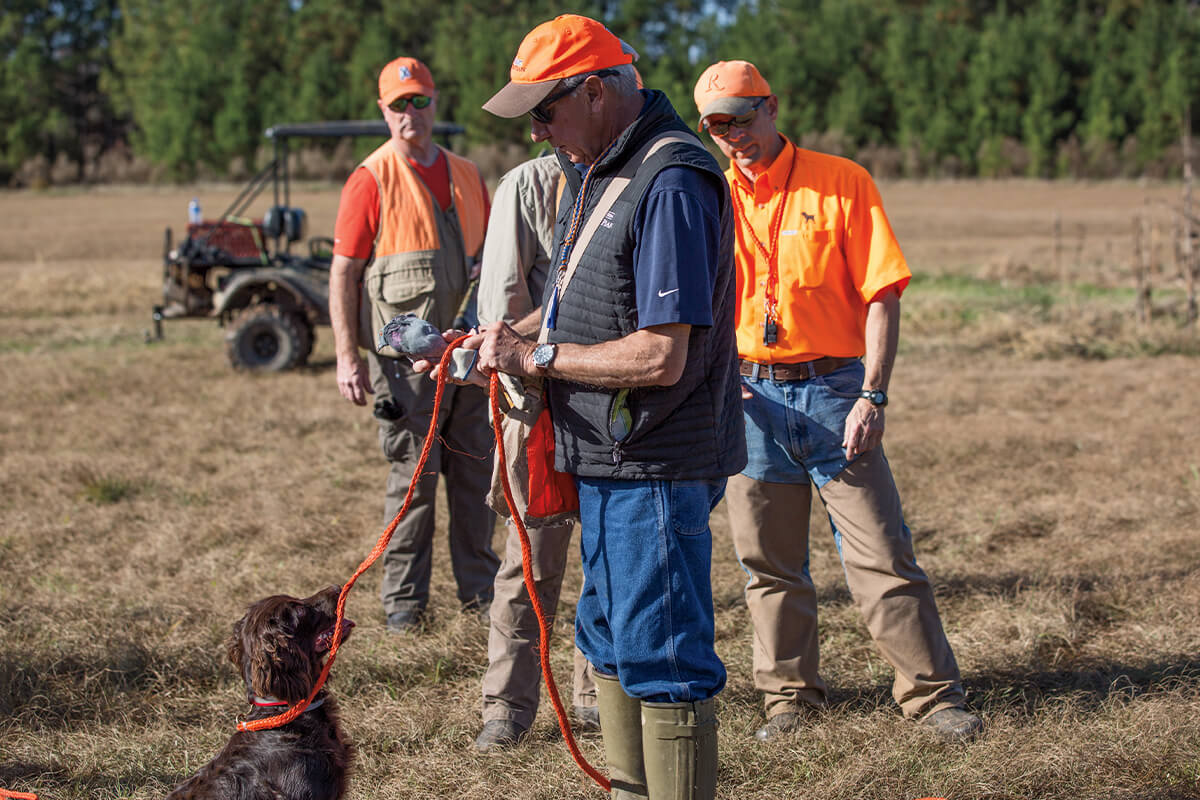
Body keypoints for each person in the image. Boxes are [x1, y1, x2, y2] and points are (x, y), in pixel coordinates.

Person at [431, 15, 745, 799]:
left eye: (544, 112)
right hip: (606, 459)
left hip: (655, 463)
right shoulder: (604, 167)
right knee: (607, 640)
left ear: (596, 92)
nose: (538, 133)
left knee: (662, 657)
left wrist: (537, 359)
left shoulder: (670, 180)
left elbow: (660, 354)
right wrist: (503, 337)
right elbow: (577, 304)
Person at [692, 60, 983, 742]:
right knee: (766, 562)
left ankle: (934, 698)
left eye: (741, 117)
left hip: (833, 392)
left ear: (772, 107)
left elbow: (881, 295)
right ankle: (788, 699)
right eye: (715, 125)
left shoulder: (841, 181)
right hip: (748, 399)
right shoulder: (707, 194)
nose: (732, 135)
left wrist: (873, 395)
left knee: (881, 553)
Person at [329, 55, 499, 634]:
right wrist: (347, 357)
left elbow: (498, 266)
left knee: (478, 476)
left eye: (419, 100)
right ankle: (405, 606)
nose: (410, 114)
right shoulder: (369, 179)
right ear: (383, 110)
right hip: (405, 371)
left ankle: (480, 595)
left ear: (434, 102)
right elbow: (344, 275)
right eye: (399, 104)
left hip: (471, 358)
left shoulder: (469, 175)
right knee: (414, 481)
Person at [472, 152, 599, 752]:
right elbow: (498, 316)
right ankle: (506, 708)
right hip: (539, 401)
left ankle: (598, 692)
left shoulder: (640, 174)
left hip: (619, 400)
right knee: (529, 559)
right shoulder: (526, 185)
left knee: (610, 554)